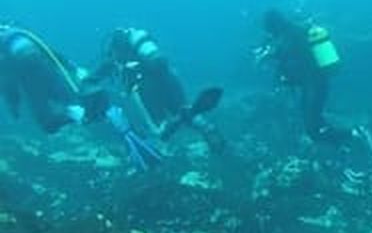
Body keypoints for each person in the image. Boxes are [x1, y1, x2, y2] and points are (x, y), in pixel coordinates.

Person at [256, 9, 372, 188]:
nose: (269, 33)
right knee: (316, 127)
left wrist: (273, 60)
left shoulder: (289, 37)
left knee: (314, 129)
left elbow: (295, 66)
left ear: (274, 26)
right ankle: (346, 154)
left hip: (314, 86)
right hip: (314, 84)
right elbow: (297, 62)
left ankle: (355, 135)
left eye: (269, 29)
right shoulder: (295, 32)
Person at [0, 23, 162, 170]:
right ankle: (107, 116)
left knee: (48, 125)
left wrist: (14, 106)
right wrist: (74, 68)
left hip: (29, 79)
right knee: (76, 102)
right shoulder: (22, 35)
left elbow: (8, 82)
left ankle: (78, 114)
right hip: (47, 69)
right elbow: (52, 54)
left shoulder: (5, 47)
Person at [88, 27, 225, 153]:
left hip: (145, 88)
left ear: (113, 47)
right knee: (186, 109)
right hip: (169, 78)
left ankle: (175, 121)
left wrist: (86, 82)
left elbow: (94, 77)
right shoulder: (144, 50)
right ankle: (208, 129)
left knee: (159, 130)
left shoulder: (116, 57)